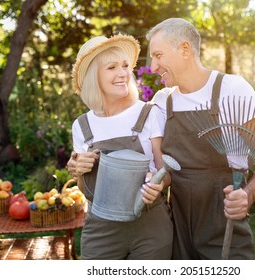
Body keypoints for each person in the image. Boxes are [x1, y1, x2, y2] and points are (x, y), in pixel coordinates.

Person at [146, 18, 255, 260]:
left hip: (224, 225)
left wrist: (248, 196)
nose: (154, 67)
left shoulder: (232, 90)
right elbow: (163, 171)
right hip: (178, 231)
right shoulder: (162, 101)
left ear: (185, 50)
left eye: (158, 56)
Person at [69, 34, 173, 260]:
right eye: (112, 67)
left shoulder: (148, 113)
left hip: (150, 225)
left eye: (125, 65)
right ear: (92, 77)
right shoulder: (82, 126)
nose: (123, 73)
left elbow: (165, 170)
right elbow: (84, 187)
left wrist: (158, 184)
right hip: (101, 229)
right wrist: (79, 170)